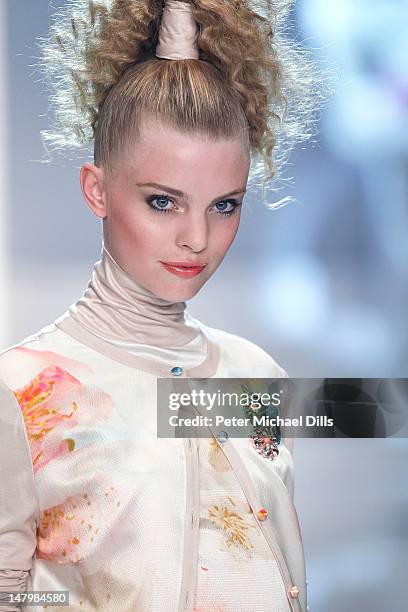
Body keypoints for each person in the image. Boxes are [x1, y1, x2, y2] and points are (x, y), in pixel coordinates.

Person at [0, 1, 320, 610]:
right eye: (163, 202)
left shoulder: (255, 376)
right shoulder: (19, 393)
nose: (196, 238)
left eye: (224, 204)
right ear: (97, 189)